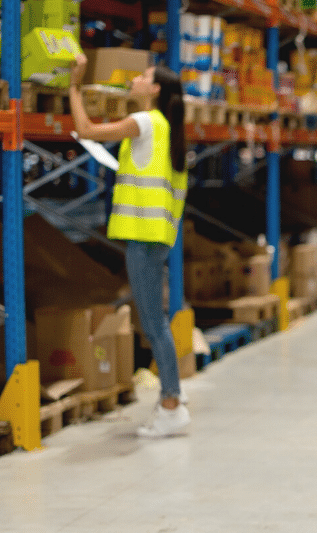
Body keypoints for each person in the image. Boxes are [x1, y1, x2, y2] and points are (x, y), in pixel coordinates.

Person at [68, 55, 191, 438]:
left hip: (143, 237)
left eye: (144, 77)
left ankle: (171, 403)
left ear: (155, 90)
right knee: (155, 322)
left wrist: (74, 86)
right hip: (156, 238)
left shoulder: (145, 122)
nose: (136, 80)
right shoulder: (166, 128)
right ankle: (172, 401)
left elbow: (86, 129)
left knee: (154, 324)